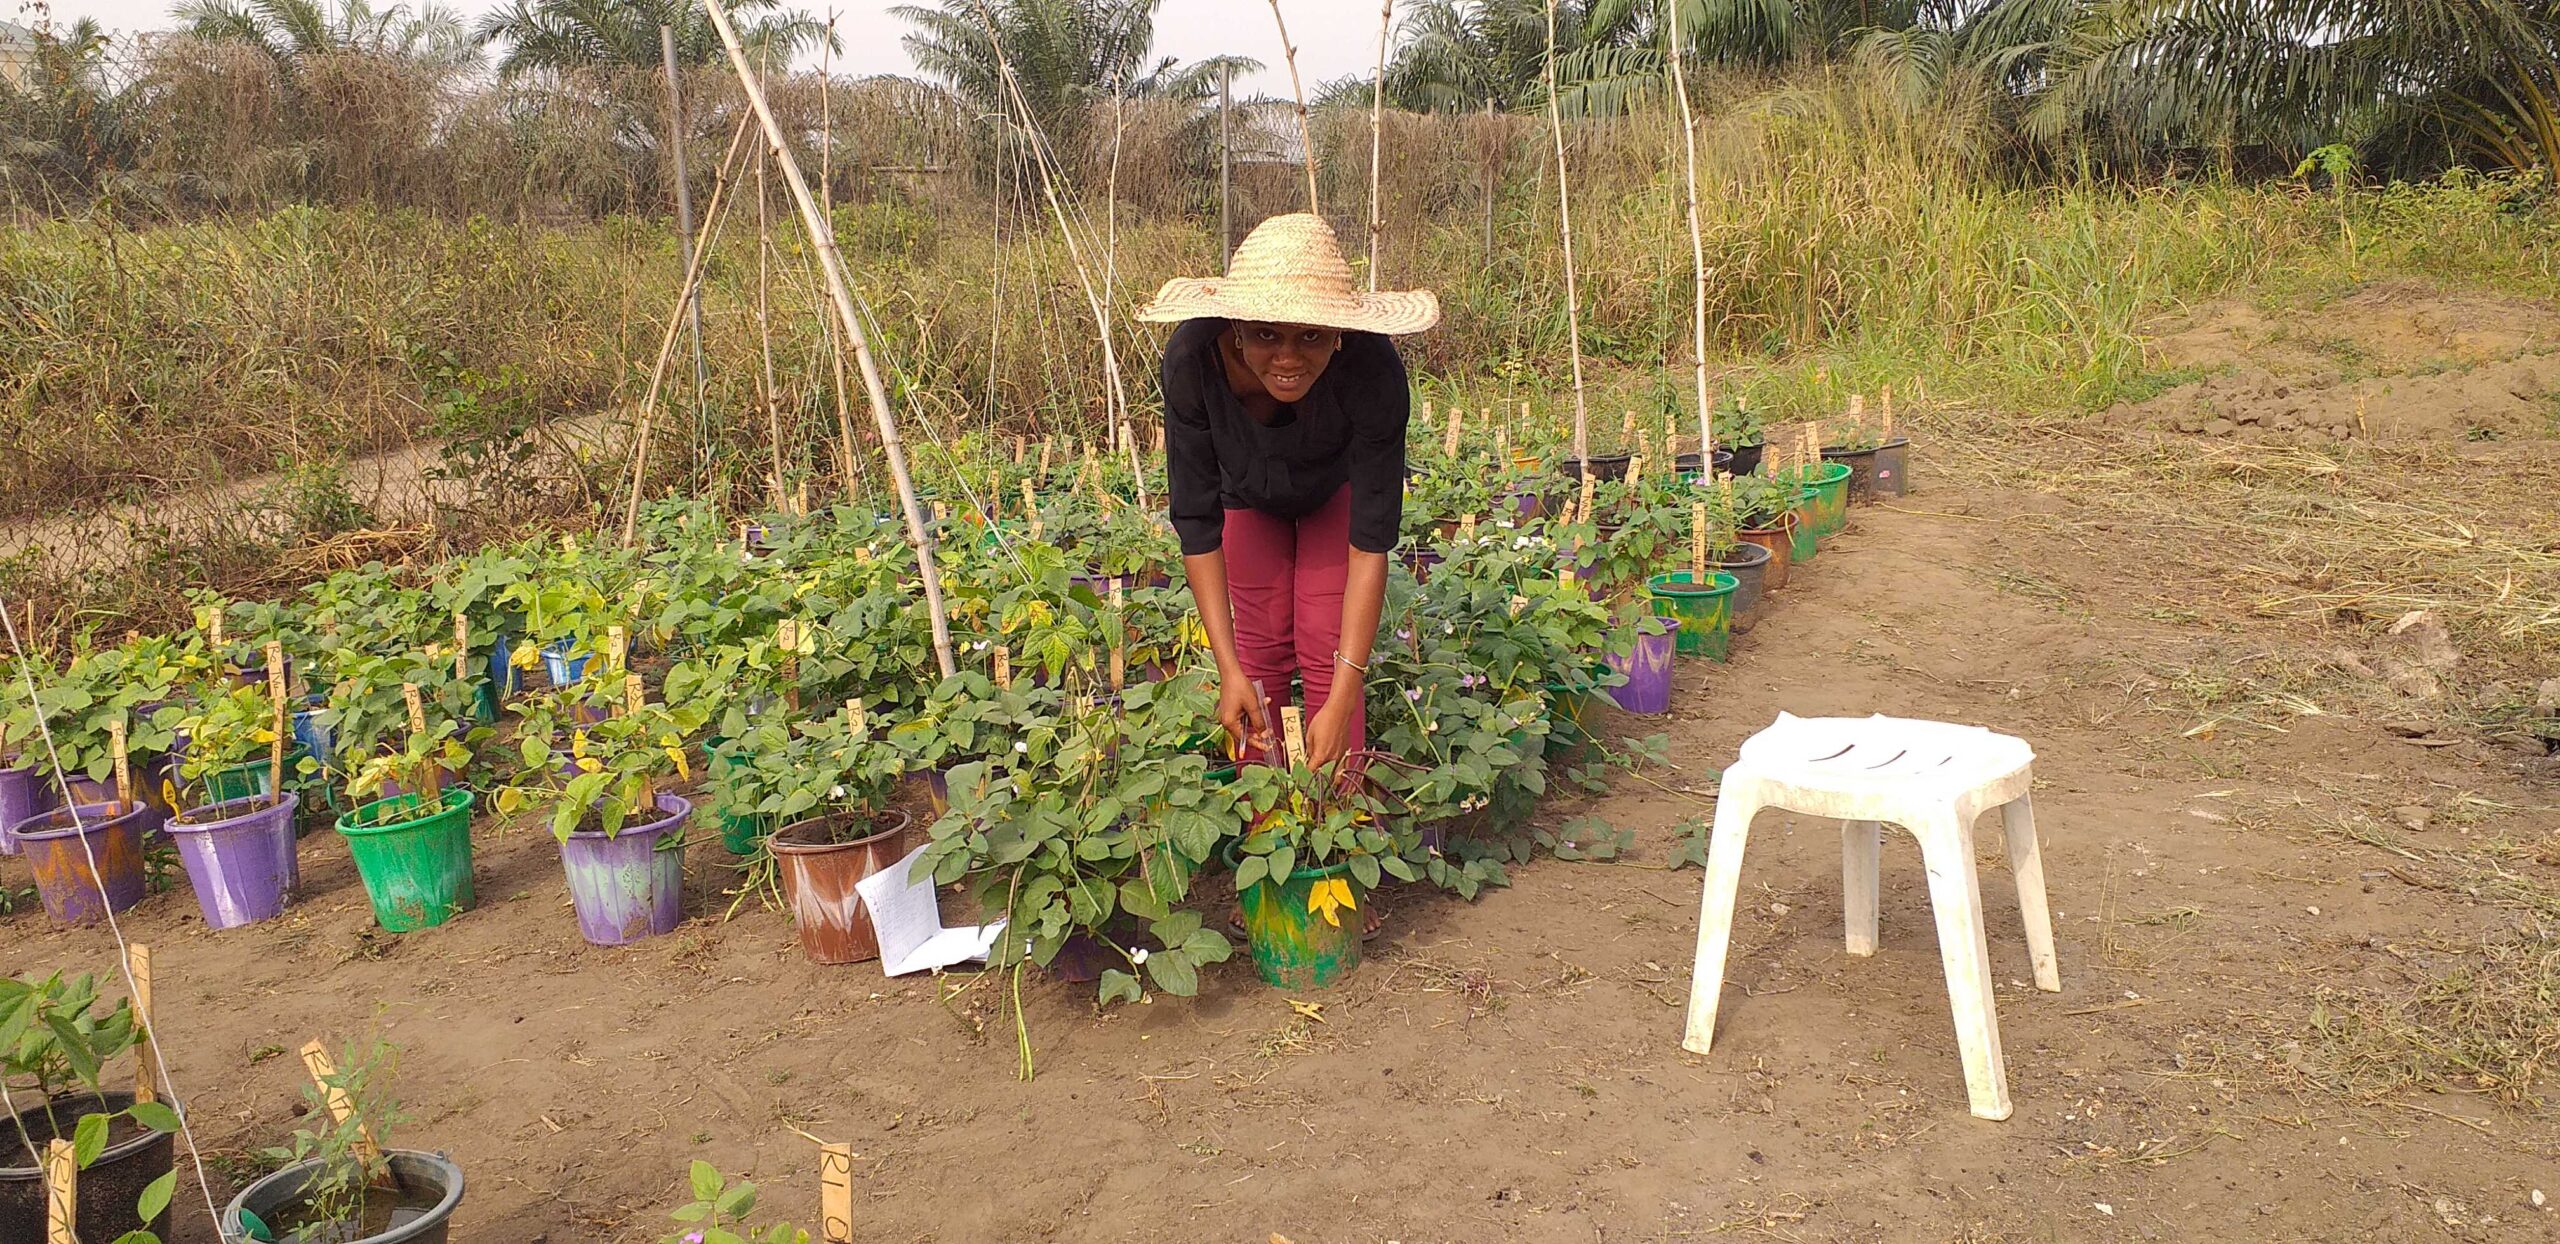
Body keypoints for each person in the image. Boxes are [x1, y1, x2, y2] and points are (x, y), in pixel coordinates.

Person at [1134, 212, 1441, 771]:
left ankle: (1338, 811)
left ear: (1340, 333)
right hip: (1244, 493)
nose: (1288, 357)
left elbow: (1372, 540)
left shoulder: (1373, 371)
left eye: (1312, 336)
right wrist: (1227, 670)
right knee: (1259, 648)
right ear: (1235, 324)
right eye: (1266, 334)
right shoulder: (1191, 362)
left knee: (1327, 640)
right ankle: (1266, 809)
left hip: (1334, 490)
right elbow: (1197, 523)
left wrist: (1343, 695)